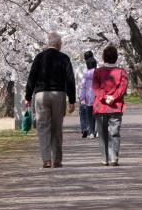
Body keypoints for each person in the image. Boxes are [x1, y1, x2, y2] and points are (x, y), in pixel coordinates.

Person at [25, 31, 76, 168]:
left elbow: (32, 78)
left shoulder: (39, 57)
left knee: (43, 127)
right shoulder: (64, 58)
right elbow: (70, 80)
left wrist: (28, 97)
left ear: (49, 43)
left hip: (41, 95)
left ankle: (46, 159)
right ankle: (57, 159)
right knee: (56, 127)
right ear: (58, 44)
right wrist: (72, 99)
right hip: (58, 94)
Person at [92, 44, 128, 166]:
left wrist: (104, 97)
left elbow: (95, 88)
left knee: (102, 133)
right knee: (115, 132)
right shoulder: (122, 72)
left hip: (101, 106)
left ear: (103, 57)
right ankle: (114, 157)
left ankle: (104, 158)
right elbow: (123, 88)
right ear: (116, 58)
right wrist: (114, 97)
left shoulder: (97, 72)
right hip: (116, 106)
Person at [79, 50, 97, 138]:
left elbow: (83, 86)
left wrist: (82, 98)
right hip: (98, 97)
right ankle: (97, 131)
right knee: (97, 115)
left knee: (88, 115)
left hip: (88, 97)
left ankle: (90, 131)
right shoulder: (98, 73)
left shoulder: (86, 74)